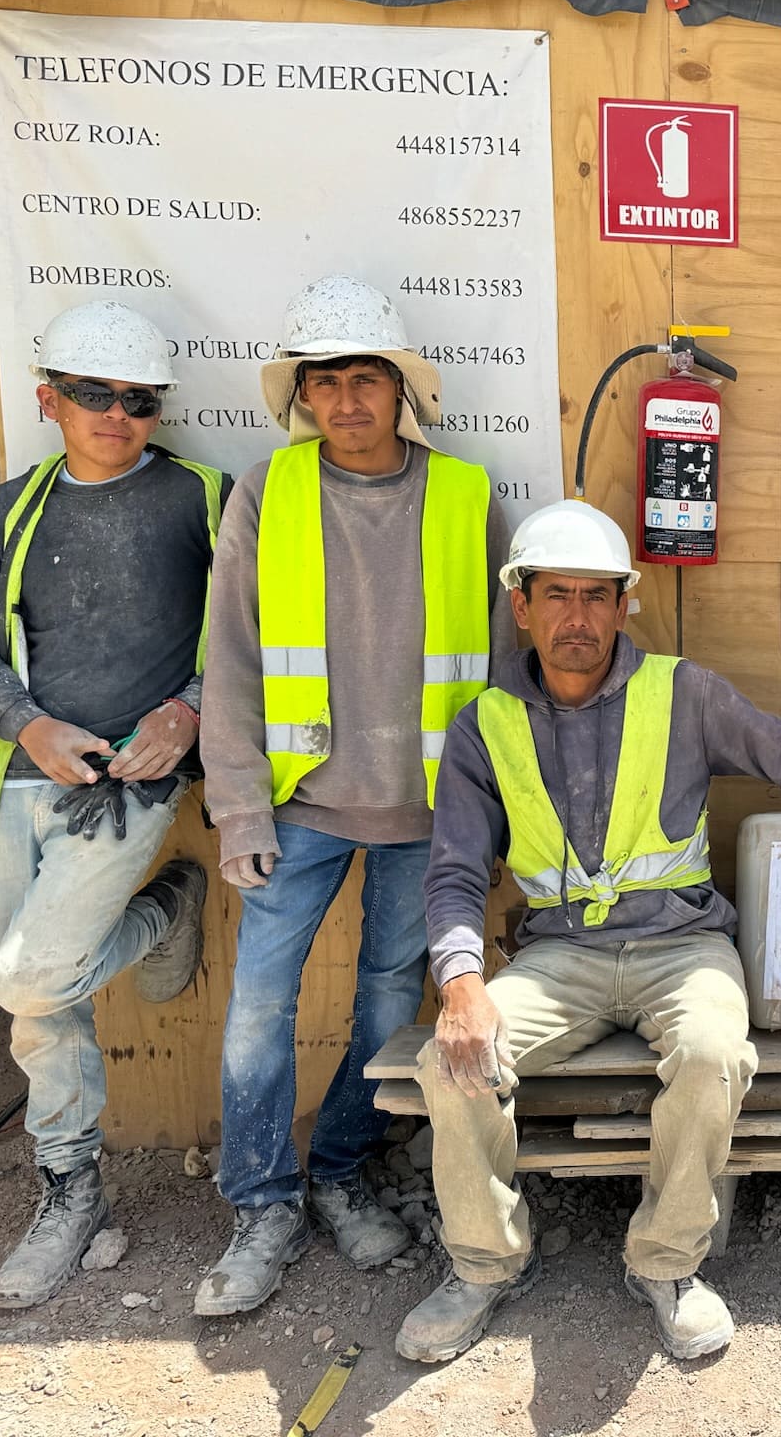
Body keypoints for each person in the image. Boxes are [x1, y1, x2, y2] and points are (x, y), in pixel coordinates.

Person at [394, 501, 781, 1365]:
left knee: (715, 1050)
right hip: (559, 957)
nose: (577, 616)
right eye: (556, 594)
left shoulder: (686, 692)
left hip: (683, 945)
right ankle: (485, 1264)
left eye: (598, 596)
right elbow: (452, 872)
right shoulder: (483, 726)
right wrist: (460, 985)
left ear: (625, 604)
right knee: (450, 1063)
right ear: (519, 605)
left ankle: (667, 1263)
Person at [195, 276, 511, 1315]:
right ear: (302, 397)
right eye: (323, 381)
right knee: (257, 1010)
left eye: (363, 378)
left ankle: (336, 1168)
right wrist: (238, 807)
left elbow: (504, 684)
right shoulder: (267, 492)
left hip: (425, 817)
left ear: (400, 391)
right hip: (298, 807)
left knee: (386, 1001)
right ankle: (261, 1201)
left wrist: (493, 819)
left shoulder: (467, 499)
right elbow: (231, 661)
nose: (344, 400)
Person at [0, 301, 220, 1307]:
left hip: (134, 781)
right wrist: (26, 725)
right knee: (39, 1017)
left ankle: (161, 910)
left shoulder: (202, 496)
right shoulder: (8, 510)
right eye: (95, 395)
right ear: (48, 399)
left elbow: (255, 633)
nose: (118, 414)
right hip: (24, 778)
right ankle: (72, 1195)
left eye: (140, 399)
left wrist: (189, 713)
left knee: (26, 979)